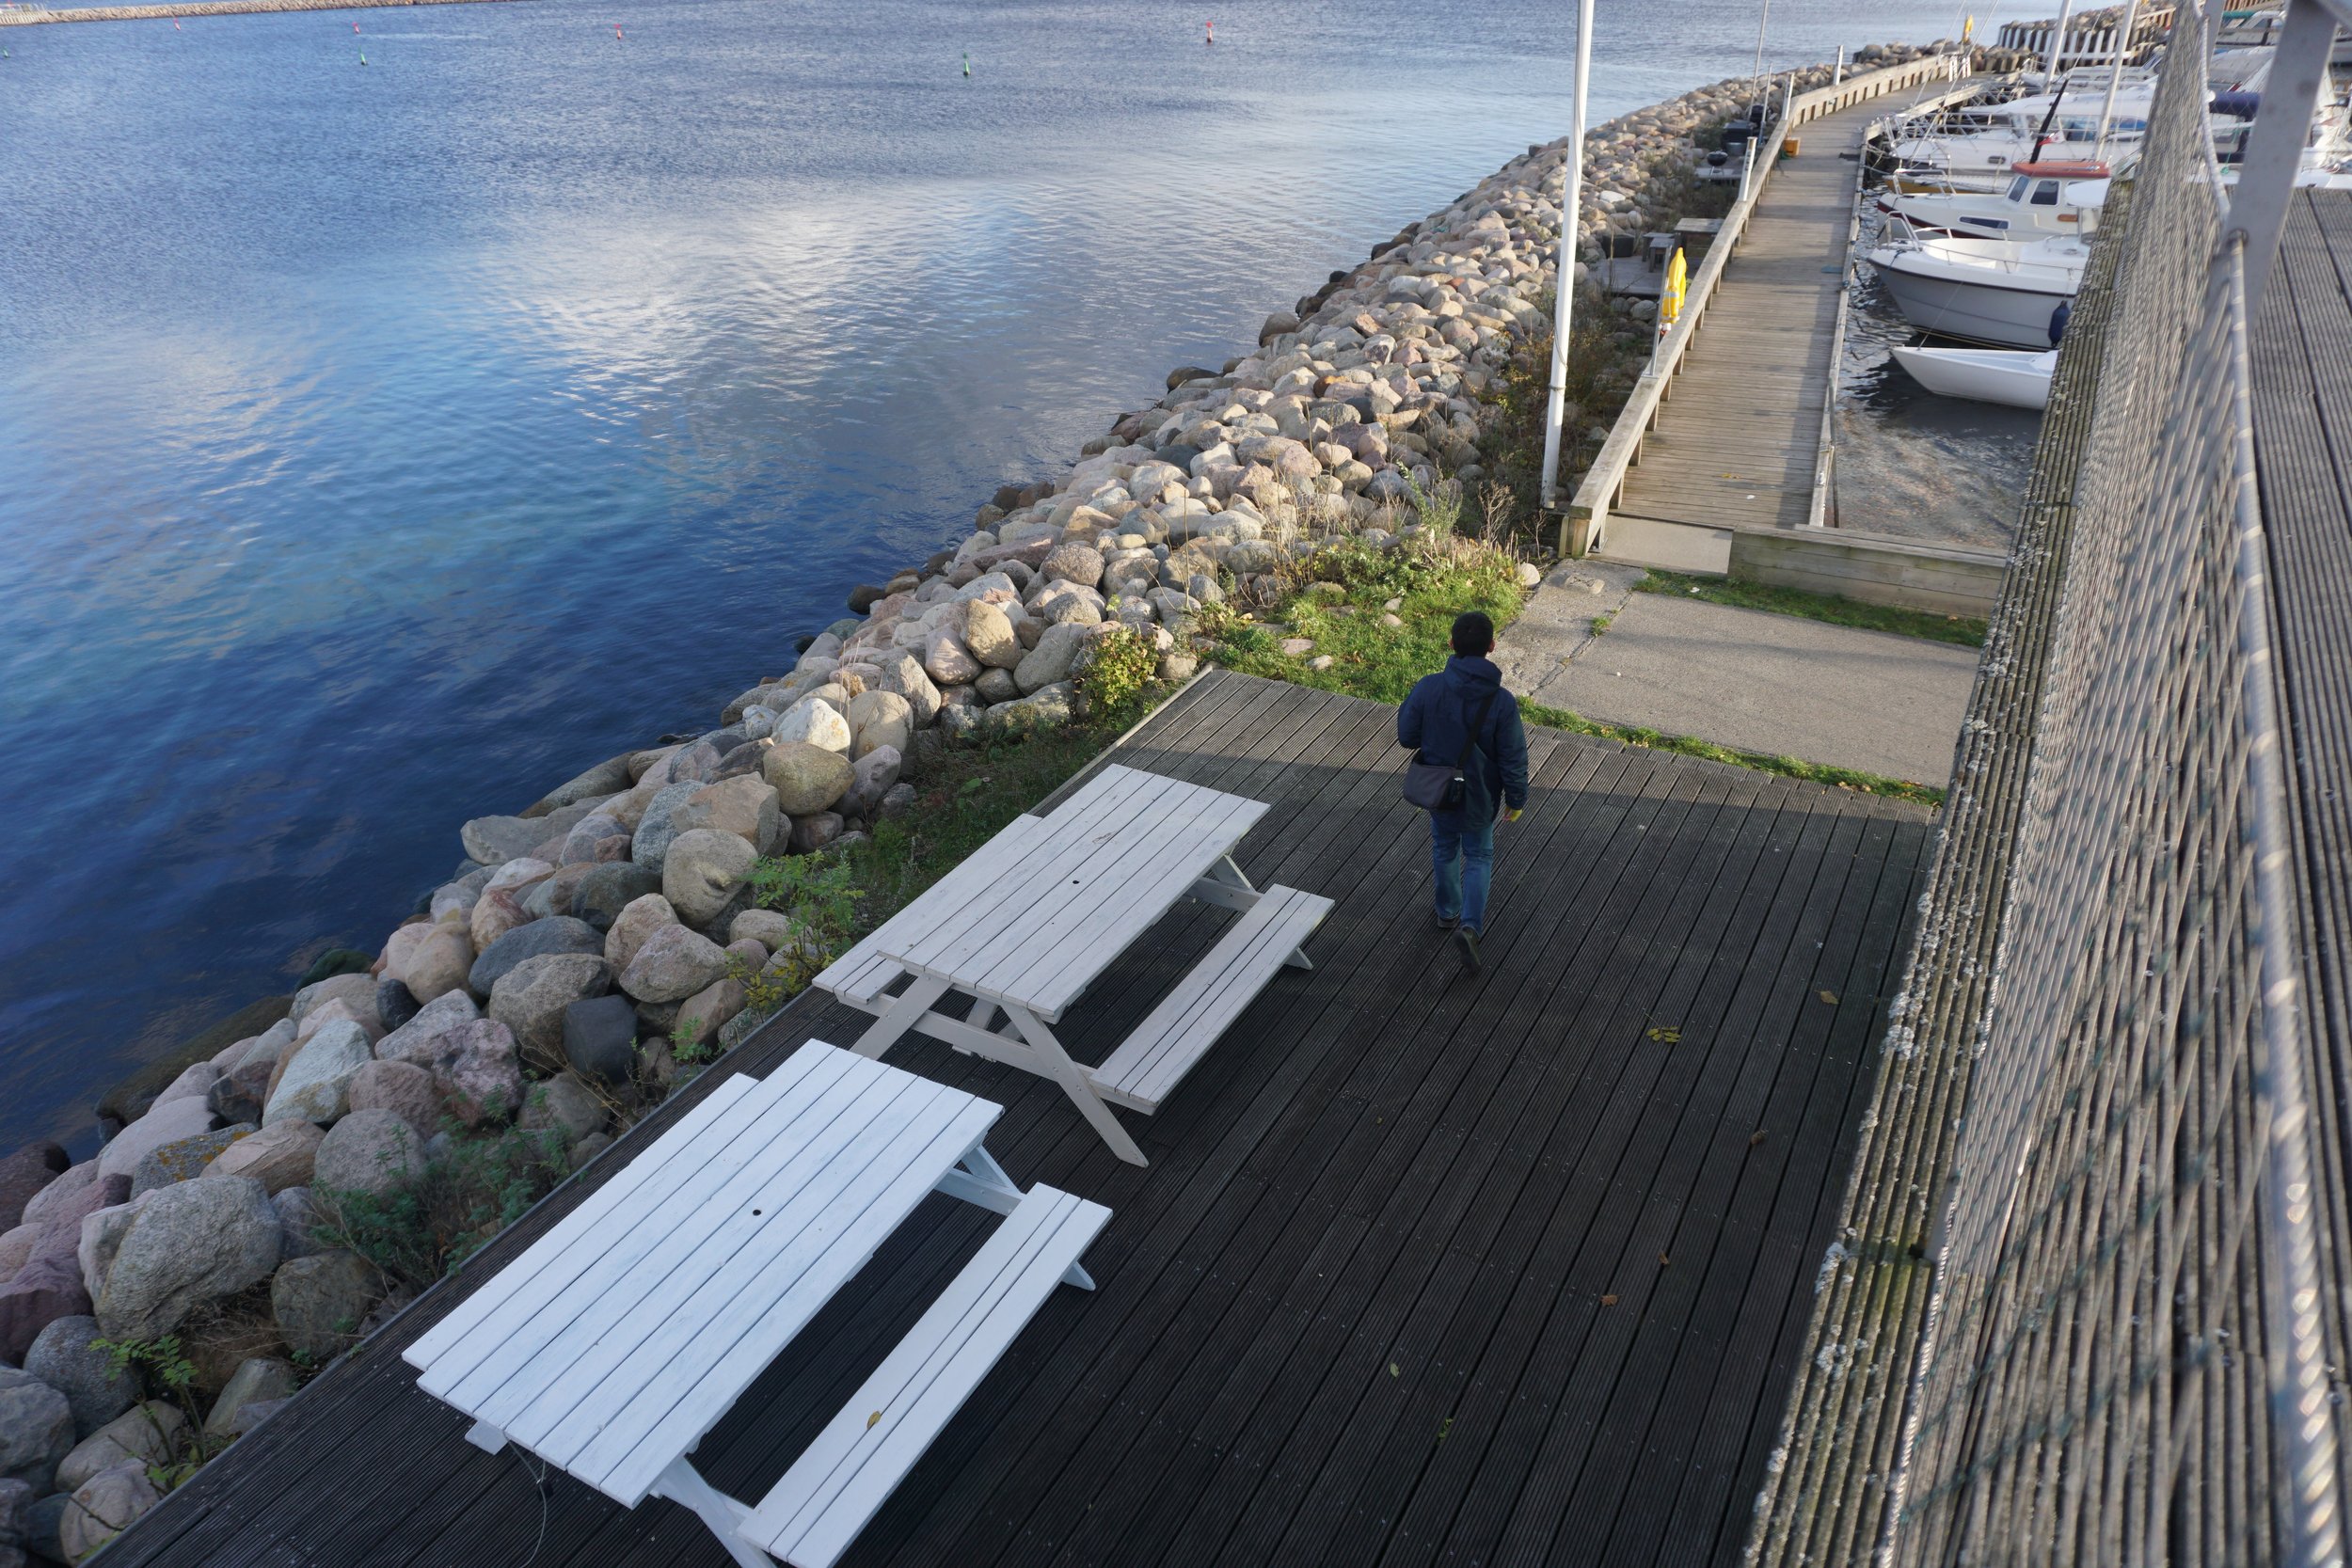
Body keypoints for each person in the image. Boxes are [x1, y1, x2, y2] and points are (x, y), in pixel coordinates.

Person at [1397, 611, 1530, 972]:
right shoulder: (1501, 702)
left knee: (1443, 846)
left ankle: (1446, 912)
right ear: (1491, 646)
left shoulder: (1428, 687)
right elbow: (1513, 757)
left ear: (1452, 644)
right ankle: (1471, 927)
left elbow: (1407, 737)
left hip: (1439, 790)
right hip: (1482, 797)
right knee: (1480, 856)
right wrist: (1516, 799)